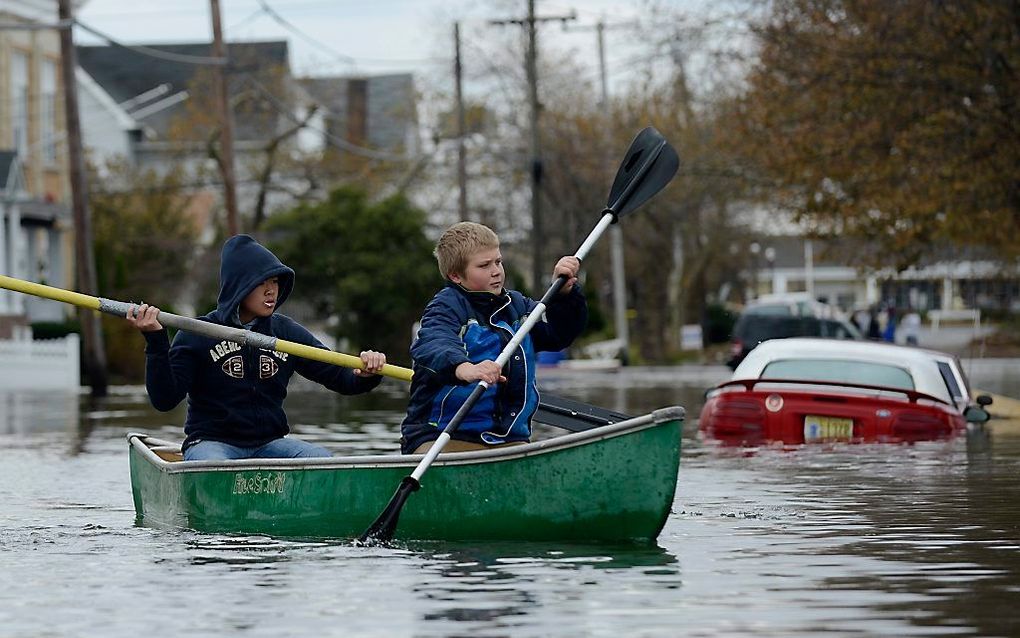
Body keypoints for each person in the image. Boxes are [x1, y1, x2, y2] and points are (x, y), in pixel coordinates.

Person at [126, 234, 387, 461]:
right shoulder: (197, 334)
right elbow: (164, 399)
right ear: (239, 287)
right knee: (217, 470)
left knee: (321, 459)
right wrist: (156, 340)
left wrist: (366, 374)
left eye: (274, 282)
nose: (271, 291)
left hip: (270, 444)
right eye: (261, 283)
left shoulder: (286, 332)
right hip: (212, 445)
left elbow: (340, 377)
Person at [400, 222, 588, 455]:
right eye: (484, 265)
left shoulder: (518, 307)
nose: (496, 271)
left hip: (509, 438)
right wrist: (464, 368)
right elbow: (433, 343)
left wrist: (564, 295)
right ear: (456, 275)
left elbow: (558, 336)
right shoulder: (446, 307)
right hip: (442, 435)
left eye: (498, 261)